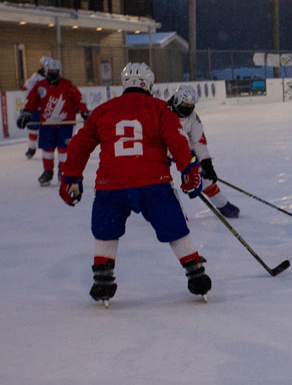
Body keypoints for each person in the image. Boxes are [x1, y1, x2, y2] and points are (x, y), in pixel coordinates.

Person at [61, 63, 210, 303]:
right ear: (149, 84)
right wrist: (189, 168)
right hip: (153, 182)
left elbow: (79, 145)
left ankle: (102, 280)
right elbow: (177, 139)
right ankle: (196, 273)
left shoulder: (103, 110)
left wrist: (71, 177)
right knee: (173, 224)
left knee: (106, 228)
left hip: (111, 184)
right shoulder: (160, 109)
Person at [167, 85, 240, 219]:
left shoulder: (193, 117)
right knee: (162, 181)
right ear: (177, 100)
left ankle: (222, 204)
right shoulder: (163, 112)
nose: (187, 108)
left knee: (202, 177)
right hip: (161, 150)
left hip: (183, 149)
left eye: (191, 105)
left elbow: (198, 141)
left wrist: (206, 164)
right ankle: (170, 212)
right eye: (184, 104)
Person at [19, 58, 88, 186]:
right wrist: (26, 112)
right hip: (47, 124)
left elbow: (79, 98)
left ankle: (63, 172)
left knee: (64, 149)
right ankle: (47, 172)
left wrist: (84, 112)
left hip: (65, 124)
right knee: (47, 148)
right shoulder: (40, 86)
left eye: (55, 70)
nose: (53, 72)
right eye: (50, 70)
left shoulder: (67, 84)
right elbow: (32, 101)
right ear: (46, 70)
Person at [20, 56, 52, 159]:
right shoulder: (35, 77)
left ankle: (53, 148)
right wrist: (33, 102)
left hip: (49, 108)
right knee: (33, 129)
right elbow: (25, 89)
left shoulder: (53, 77)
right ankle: (31, 148)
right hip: (36, 109)